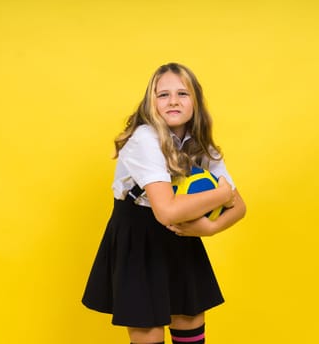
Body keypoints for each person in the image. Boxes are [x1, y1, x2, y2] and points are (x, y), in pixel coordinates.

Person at [82, 62, 246, 344]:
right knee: (149, 333)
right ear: (151, 102)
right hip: (138, 236)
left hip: (183, 234)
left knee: (190, 326)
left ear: (195, 101)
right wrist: (221, 195)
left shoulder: (199, 143)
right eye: (163, 95)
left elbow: (240, 207)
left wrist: (210, 229)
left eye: (182, 94)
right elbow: (166, 211)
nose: (172, 101)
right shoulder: (145, 139)